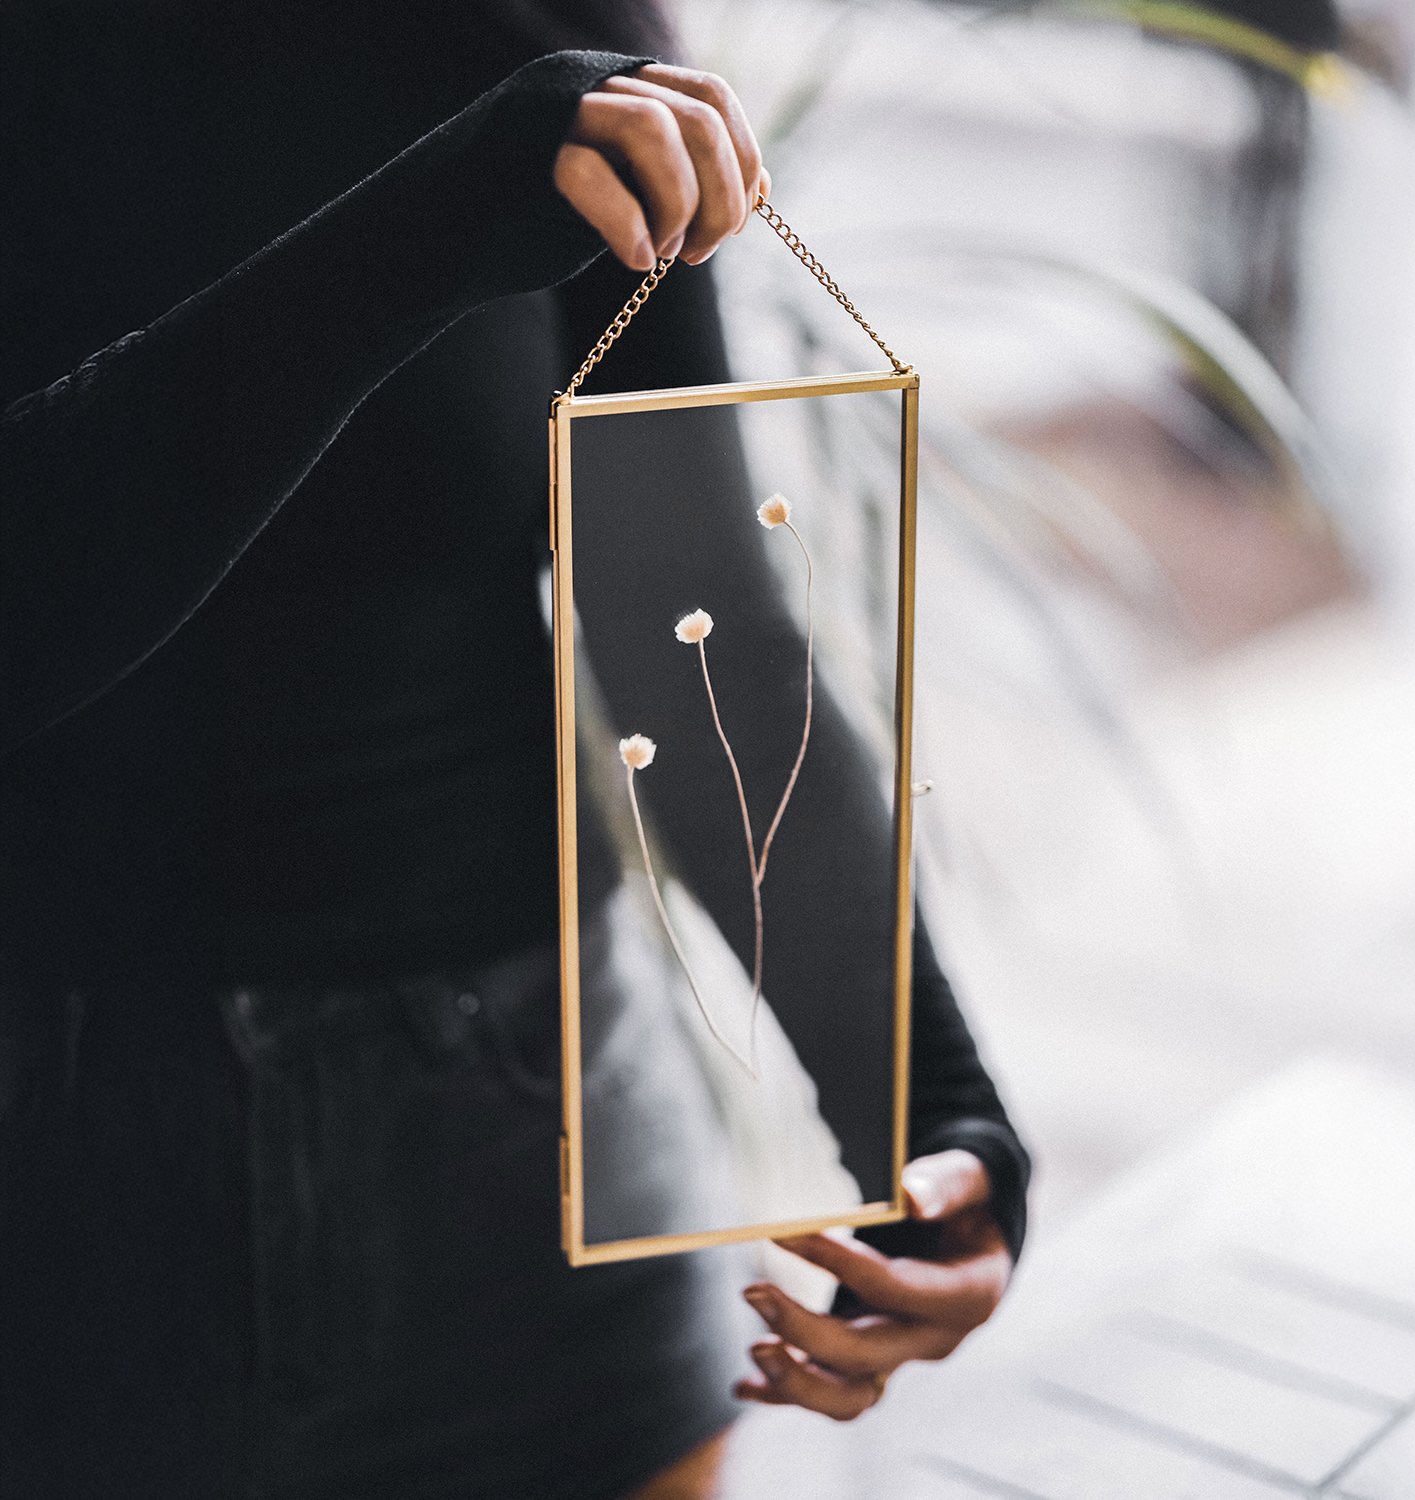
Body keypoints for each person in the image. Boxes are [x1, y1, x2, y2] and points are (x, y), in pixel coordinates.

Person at [0, 4, 1031, 1496]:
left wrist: (938, 1114)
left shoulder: (552, 26)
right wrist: (412, 234)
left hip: (529, 1144)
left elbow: (694, 633)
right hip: (69, 1174)